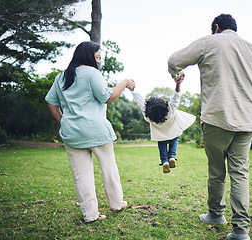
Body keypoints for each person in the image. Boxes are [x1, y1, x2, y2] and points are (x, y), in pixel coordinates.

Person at [168, 14, 252, 240]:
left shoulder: (209, 41)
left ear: (216, 28)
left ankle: (216, 215)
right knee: (240, 173)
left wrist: (177, 75)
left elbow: (174, 61)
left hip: (217, 117)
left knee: (217, 171)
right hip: (246, 121)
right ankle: (241, 231)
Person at [45, 41, 135, 223]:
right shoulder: (92, 74)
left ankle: (90, 214)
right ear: (88, 56)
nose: (99, 61)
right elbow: (107, 97)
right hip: (96, 131)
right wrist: (124, 82)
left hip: (72, 133)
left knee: (81, 175)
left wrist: (63, 121)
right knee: (109, 168)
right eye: (97, 57)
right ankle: (116, 204)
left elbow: (51, 102)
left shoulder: (61, 77)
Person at [130, 72, 196, 173]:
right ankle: (172, 157)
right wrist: (178, 83)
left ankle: (164, 161)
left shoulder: (148, 115)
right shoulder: (170, 110)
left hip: (160, 135)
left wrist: (133, 90)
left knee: (162, 144)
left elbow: (140, 101)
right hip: (173, 131)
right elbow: (176, 96)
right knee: (175, 138)